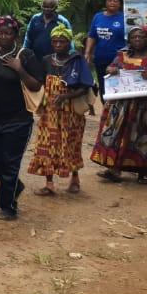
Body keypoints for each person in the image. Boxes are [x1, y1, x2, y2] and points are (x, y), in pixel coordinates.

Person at [0, 17, 45, 220]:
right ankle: (16, 185)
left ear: (16, 35)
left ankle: (8, 207)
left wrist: (19, 69)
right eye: (0, 33)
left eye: (8, 33)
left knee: (10, 164)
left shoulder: (26, 55)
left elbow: (36, 85)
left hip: (19, 120)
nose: (4, 37)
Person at [89, 25, 147, 184]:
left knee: (143, 138)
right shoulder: (121, 57)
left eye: (141, 37)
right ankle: (114, 169)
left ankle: (142, 172)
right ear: (129, 40)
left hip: (144, 107)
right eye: (134, 37)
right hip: (121, 106)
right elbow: (110, 68)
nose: (138, 40)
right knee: (117, 136)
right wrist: (110, 69)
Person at [26, 25, 94, 195]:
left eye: (62, 41)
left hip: (71, 112)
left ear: (69, 42)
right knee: (47, 144)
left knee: (72, 143)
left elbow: (85, 86)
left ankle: (75, 178)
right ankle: (49, 183)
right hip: (50, 111)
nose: (58, 44)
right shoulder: (46, 60)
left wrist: (66, 96)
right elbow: (40, 82)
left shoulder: (77, 60)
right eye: (55, 41)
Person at [85, 0, 128, 92]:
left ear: (120, 4)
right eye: (109, 0)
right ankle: (104, 101)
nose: (112, 2)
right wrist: (87, 52)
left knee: (118, 88)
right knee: (103, 86)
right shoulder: (98, 17)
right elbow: (92, 36)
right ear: (105, 2)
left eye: (115, 1)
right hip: (100, 59)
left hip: (119, 60)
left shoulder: (125, 18)